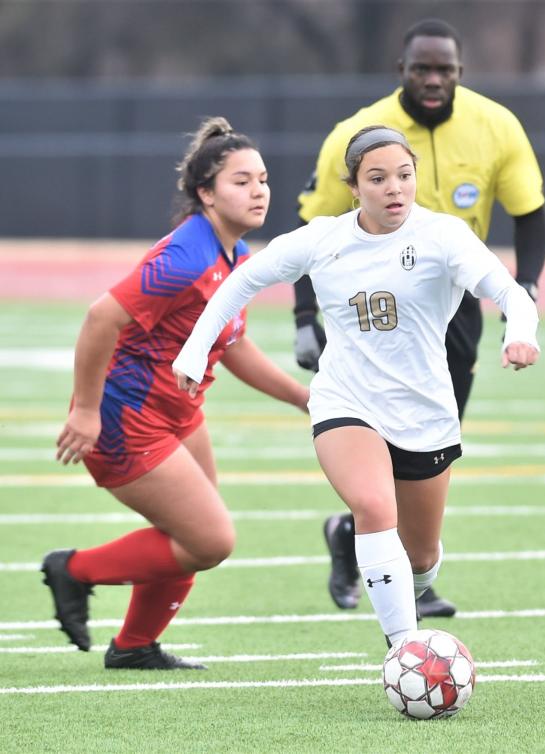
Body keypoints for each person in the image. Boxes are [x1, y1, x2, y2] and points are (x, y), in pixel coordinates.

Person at [173, 126, 539, 649]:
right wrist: (193, 350)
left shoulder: (444, 237)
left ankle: (405, 592)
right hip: (345, 400)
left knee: (421, 558)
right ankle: (404, 651)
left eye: (405, 176)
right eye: (378, 178)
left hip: (424, 412)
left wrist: (521, 334)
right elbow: (242, 281)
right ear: (354, 187)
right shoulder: (323, 239)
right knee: (372, 508)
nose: (395, 188)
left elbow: (509, 291)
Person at [293, 18, 545, 618]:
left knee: (431, 436)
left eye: (445, 70)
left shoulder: (496, 124)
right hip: (370, 299)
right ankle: (395, 558)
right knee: (374, 430)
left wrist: (525, 292)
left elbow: (530, 212)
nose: (433, 80)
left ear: (460, 73)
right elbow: (310, 230)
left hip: (453, 299)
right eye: (421, 69)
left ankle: (369, 539)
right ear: (401, 73)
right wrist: (305, 315)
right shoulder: (355, 135)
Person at [43, 117, 310, 670]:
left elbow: (231, 344)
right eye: (241, 181)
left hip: (178, 412)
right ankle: (73, 571)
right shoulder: (188, 258)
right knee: (209, 541)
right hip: (126, 417)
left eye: (262, 178)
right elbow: (100, 319)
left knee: (191, 532)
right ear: (205, 193)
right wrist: (86, 410)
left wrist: (305, 398)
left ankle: (136, 646)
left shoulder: (233, 253)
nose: (258, 190)